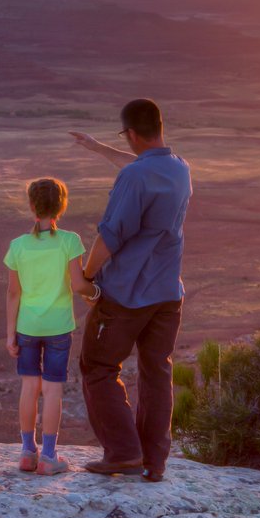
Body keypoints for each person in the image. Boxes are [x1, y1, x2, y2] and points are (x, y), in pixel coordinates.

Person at [69, 98, 192, 483]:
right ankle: (155, 461)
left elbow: (111, 236)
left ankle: (123, 452)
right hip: (168, 294)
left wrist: (87, 276)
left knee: (99, 367)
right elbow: (140, 167)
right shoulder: (179, 168)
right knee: (157, 372)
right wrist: (96, 147)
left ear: (131, 134)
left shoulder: (135, 178)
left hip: (126, 295)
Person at [3, 177, 94, 475]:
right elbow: (79, 284)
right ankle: (50, 456)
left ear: (32, 206)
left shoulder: (18, 246)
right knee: (53, 390)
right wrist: (98, 295)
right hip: (58, 328)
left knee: (29, 387)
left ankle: (28, 452)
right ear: (62, 206)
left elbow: (13, 293)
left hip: (27, 327)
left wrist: (10, 335)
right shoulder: (70, 241)